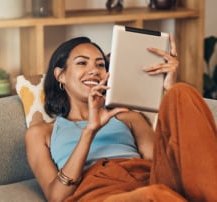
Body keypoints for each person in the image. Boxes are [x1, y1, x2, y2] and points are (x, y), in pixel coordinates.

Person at [25, 36, 217, 202]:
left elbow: (162, 162)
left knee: (182, 93)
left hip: (148, 178)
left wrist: (169, 87)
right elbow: (56, 197)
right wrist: (90, 130)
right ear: (60, 75)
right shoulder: (42, 133)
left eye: (100, 64)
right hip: (100, 193)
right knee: (154, 195)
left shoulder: (127, 116)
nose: (94, 70)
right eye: (82, 63)